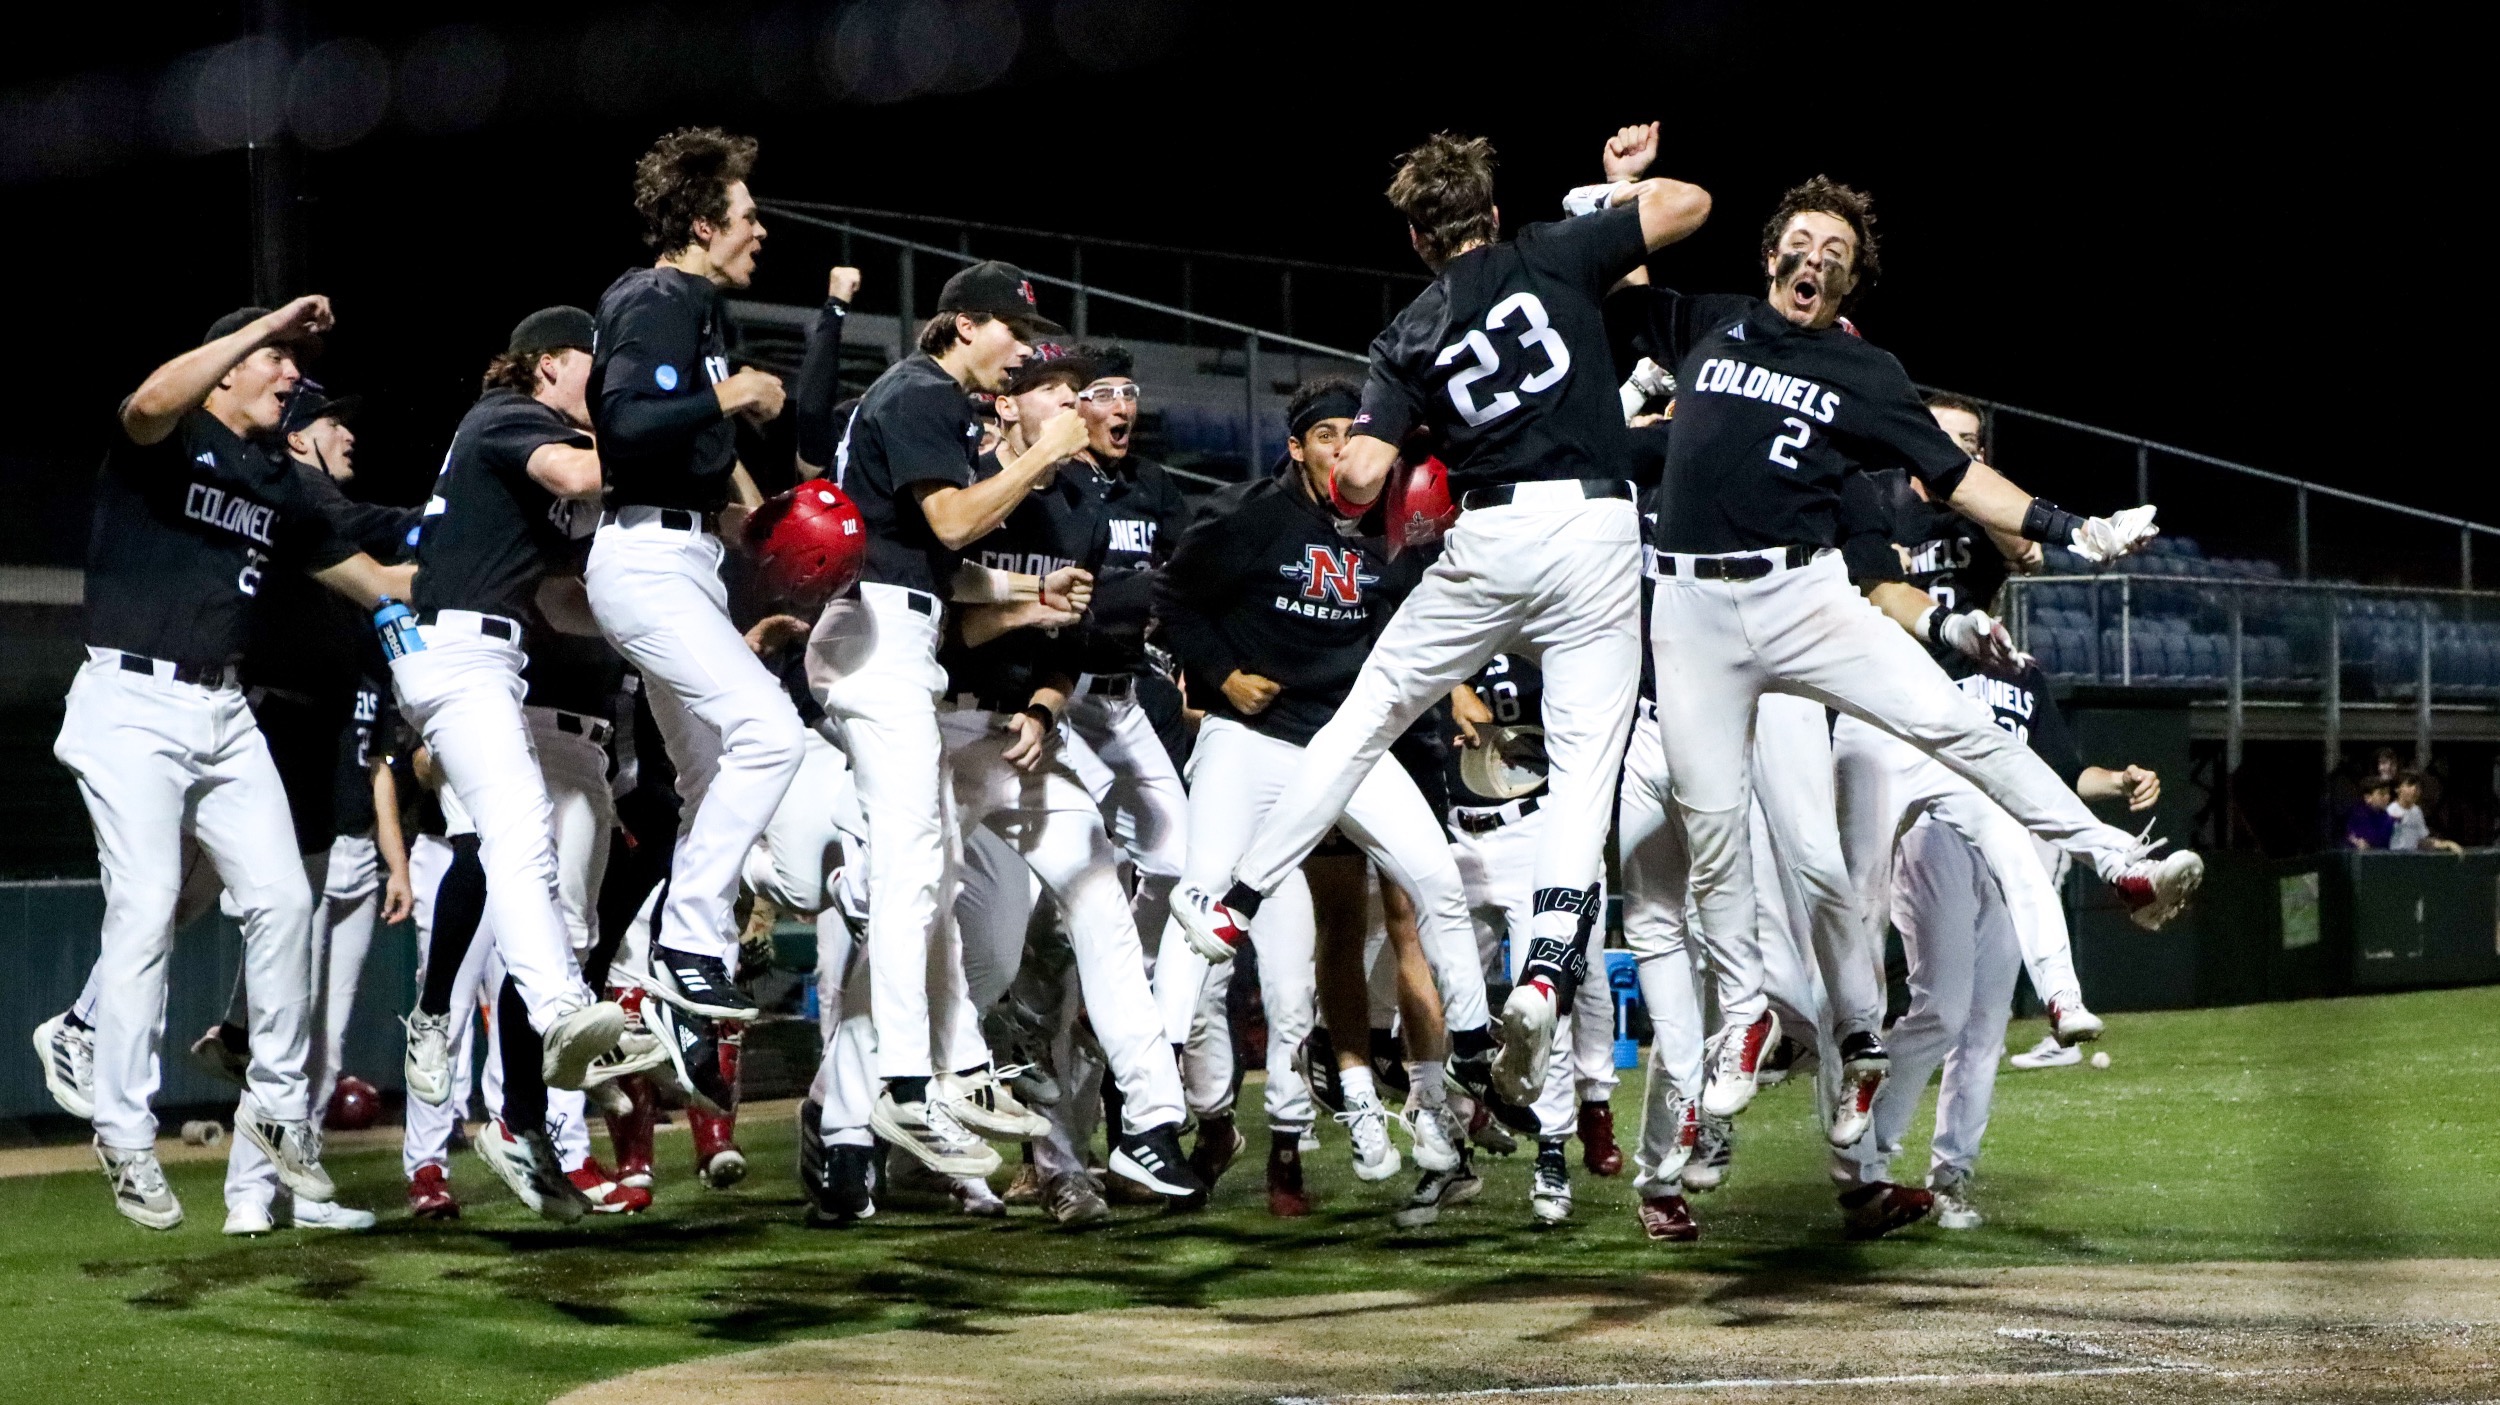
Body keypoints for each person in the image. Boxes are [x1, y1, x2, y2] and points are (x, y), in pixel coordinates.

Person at [1624, 168, 2199, 1116]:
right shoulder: (1707, 323)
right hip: (1687, 612)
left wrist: (2074, 528)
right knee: (1718, 828)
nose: (1817, 260)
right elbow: (1620, 271)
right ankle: (1748, 1019)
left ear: (1848, 288)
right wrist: (1624, 187)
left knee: (1959, 727)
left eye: (1838, 257)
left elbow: (1959, 475)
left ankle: (2114, 859)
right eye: (1804, 244)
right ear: (1772, 254)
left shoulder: (1864, 371)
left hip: (1798, 591)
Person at [1171, 124, 1713, 1114]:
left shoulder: (1407, 331)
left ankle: (1233, 905)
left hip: (1491, 534)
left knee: (1361, 721)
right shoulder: (1553, 248)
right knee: (1590, 754)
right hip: (1594, 525)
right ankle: (1548, 965)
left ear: (1418, 241)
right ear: (1493, 215)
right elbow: (1691, 205)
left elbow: (1365, 477)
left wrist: (1362, 454)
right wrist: (1608, 192)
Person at [60, 297, 412, 1231]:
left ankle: (277, 1111)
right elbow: (144, 402)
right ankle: (124, 1130)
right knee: (143, 907)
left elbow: (374, 580)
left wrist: (485, 550)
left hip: (220, 708)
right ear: (226, 366)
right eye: (276, 361)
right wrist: (261, 326)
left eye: (294, 361)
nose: (291, 376)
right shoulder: (167, 440)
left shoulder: (275, 478)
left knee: (286, 899)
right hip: (130, 698)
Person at [1152, 377, 1491, 1212]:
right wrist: (1222, 675)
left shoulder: (1390, 526)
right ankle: (1150, 1103)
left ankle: (1474, 1057)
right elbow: (1170, 598)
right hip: (1253, 739)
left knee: (1436, 879)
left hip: (1345, 742)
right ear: (1298, 446)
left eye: (1357, 433)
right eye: (1328, 434)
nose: (1347, 448)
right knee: (1204, 903)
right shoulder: (1252, 516)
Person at [807, 258, 1090, 1169]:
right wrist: (1046, 452)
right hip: (878, 640)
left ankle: (959, 1061)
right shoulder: (921, 391)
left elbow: (939, 563)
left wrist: (1030, 587)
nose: (1022, 346)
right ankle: (901, 1080)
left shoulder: (927, 398)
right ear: (964, 323)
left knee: (936, 858)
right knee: (913, 864)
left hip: (895, 625)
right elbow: (957, 524)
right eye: (1011, 327)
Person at [394, 304, 639, 1217]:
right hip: (457, 654)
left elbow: (566, 603)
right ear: (543, 363)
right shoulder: (507, 414)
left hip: (485, 655)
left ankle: (504, 1041)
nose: (603, 377)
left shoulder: (527, 448)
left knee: (511, 841)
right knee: (513, 831)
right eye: (591, 360)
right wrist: (698, 412)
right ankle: (558, 1008)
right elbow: (580, 470)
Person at [584, 127, 800, 1115]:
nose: (761, 231)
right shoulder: (657, 297)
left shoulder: (696, 308)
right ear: (706, 223)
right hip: (644, 558)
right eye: (748, 216)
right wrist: (732, 391)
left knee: (716, 769)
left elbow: (679, 442)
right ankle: (687, 933)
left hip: (683, 559)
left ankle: (692, 970)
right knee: (772, 733)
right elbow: (624, 424)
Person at [1835, 652, 2163, 1236]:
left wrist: (2116, 780)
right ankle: (1869, 1166)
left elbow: (2059, 769)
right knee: (1942, 1010)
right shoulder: (1918, 649)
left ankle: (1951, 1175)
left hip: (2015, 837)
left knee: (1986, 1023)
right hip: (1936, 832)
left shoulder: (2023, 670)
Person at [2346, 776, 2396, 849]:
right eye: (2382, 793)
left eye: (2388, 793)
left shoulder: (2386, 817)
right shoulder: (2358, 815)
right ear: (2368, 798)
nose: (2387, 797)